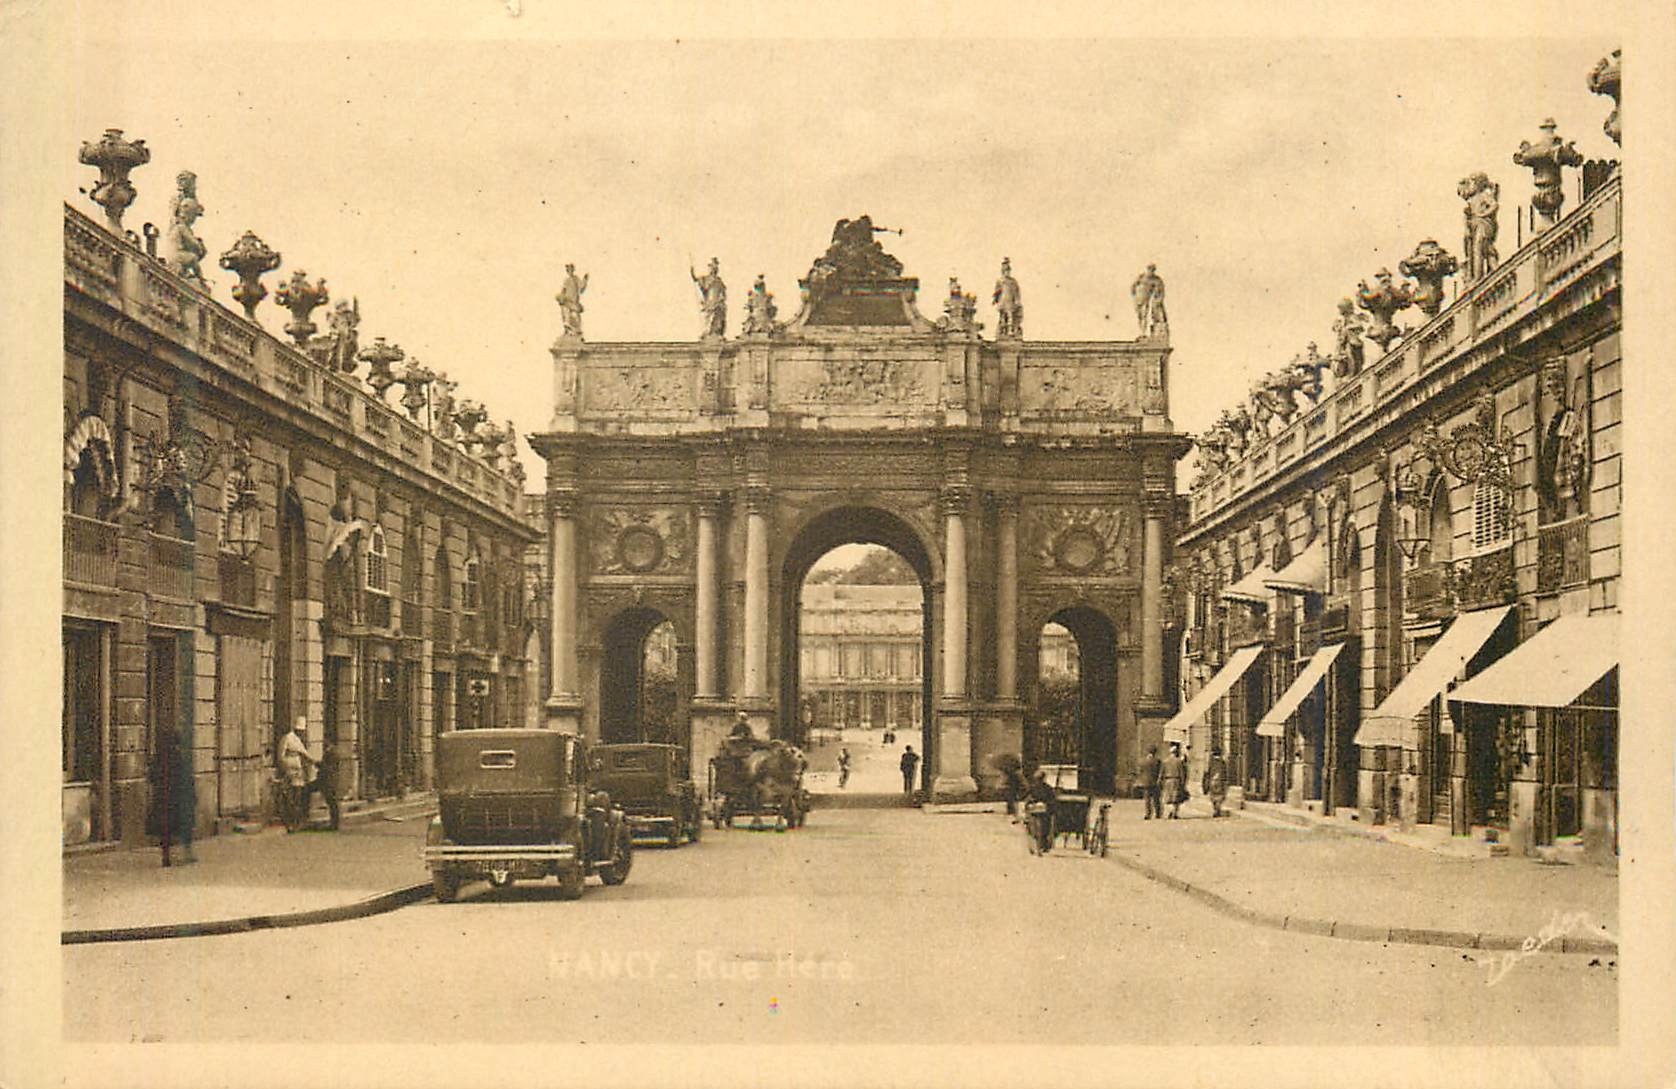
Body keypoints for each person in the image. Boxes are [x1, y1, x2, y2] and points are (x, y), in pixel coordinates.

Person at [278, 715, 318, 833]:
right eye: (299, 731)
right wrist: (286, 768)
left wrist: (314, 761)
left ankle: (297, 822)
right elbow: (280, 756)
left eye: (302, 731)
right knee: (290, 798)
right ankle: (290, 822)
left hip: (298, 772)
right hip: (289, 772)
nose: (301, 733)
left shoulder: (298, 741)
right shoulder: (287, 738)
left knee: (298, 798)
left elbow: (304, 754)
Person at [1024, 768, 1056, 854]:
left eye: (1040, 779)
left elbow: (1052, 799)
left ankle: (1042, 845)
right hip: (1034, 811)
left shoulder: (1047, 788)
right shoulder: (1033, 788)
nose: (1039, 781)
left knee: (1044, 827)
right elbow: (1027, 797)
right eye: (1038, 779)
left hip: (1044, 812)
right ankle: (1037, 845)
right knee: (1032, 827)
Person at [1159, 742, 1187, 820]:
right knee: (1176, 798)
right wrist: (1183, 783)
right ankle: (1174, 812)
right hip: (1176, 781)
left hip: (1168, 781)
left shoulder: (1165, 761)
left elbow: (1162, 773)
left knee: (1168, 798)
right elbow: (1182, 773)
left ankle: (1171, 811)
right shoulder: (1179, 762)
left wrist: (1160, 781)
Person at [1202, 746, 1230, 818]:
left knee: (1213, 796)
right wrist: (1226, 781)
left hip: (1212, 781)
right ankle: (1218, 808)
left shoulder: (1210, 762)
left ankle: (1215, 808)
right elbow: (1225, 773)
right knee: (1220, 796)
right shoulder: (1223, 762)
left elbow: (1206, 773)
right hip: (1220, 781)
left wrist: (1204, 783)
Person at [1139, 744, 1163, 820]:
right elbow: (1160, 771)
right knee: (1156, 799)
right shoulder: (1158, 761)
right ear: (1155, 752)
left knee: (1147, 800)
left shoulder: (1142, 761)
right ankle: (1158, 813)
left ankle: (1148, 814)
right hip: (1155, 782)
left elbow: (1140, 771)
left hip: (1146, 782)